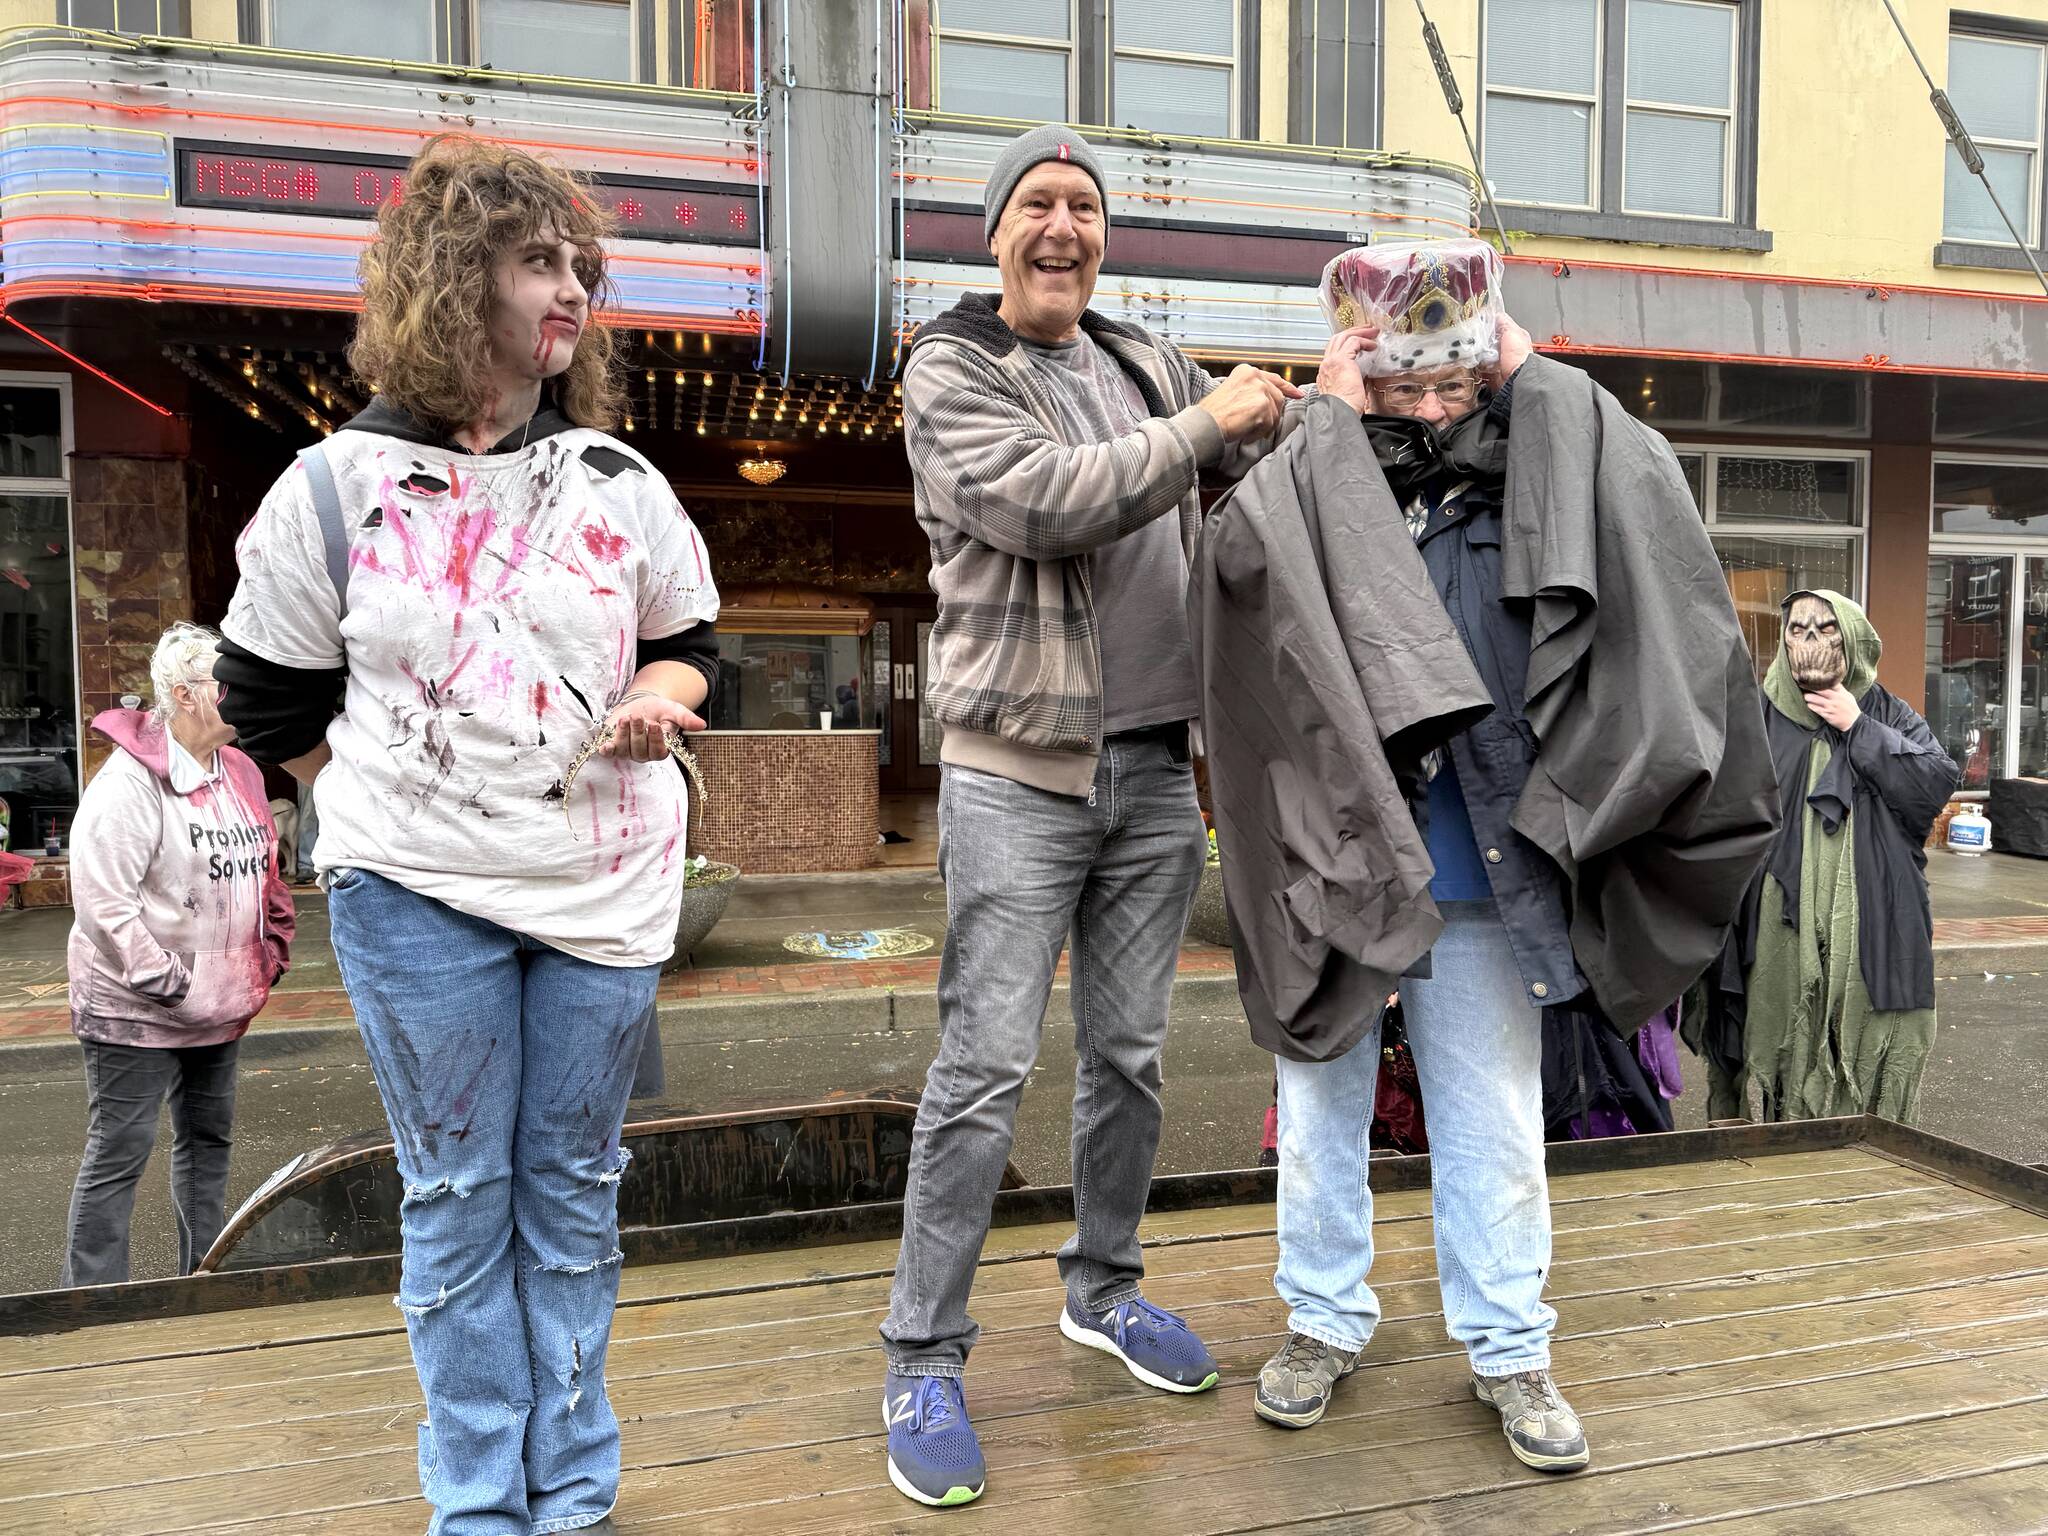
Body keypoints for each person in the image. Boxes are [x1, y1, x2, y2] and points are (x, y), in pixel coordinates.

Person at [1199, 240, 1776, 1473]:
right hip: (1338, 870)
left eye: (1446, 380)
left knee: (1493, 1124)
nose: (1425, 403)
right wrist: (1327, 423)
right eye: (1399, 384)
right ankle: (1321, 1320)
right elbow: (1247, 575)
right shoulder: (1300, 476)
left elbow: (1647, 500)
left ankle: (1509, 1347)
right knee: (1317, 1111)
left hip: (1482, 880)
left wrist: (1543, 377)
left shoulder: (1535, 476)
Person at [215, 136, 720, 1536]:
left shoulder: (618, 478)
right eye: (538, 260)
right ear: (456, 278)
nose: (571, 291)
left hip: (604, 891)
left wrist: (651, 699)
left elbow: (694, 648)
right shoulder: (330, 490)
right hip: (415, 897)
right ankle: (481, 1505)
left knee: (571, 1191)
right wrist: (380, 797)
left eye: (580, 267)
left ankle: (577, 1495)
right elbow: (264, 702)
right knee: (455, 1192)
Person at [878, 122, 1363, 1509]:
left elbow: (1245, 491)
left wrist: (1321, 405)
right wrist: (1217, 420)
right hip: (1015, 773)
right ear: (994, 231)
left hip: (1156, 769)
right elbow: (1046, 503)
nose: (1063, 227)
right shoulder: (954, 365)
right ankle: (922, 1351)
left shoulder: (1144, 359)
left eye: (1084, 207)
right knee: (980, 1071)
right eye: (1036, 202)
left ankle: (1102, 1287)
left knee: (1131, 1059)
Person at [60, 622, 294, 1285]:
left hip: (219, 1007)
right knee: (121, 1151)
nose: (242, 697)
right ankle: (95, 1300)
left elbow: (266, 872)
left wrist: (268, 952)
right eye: (230, 685)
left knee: (209, 1142)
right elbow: (104, 902)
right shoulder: (127, 786)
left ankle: (204, 1279)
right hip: (135, 1011)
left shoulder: (240, 769)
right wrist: (168, 982)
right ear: (188, 695)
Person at [1694, 591, 1959, 1122]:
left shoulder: (1885, 711)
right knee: (1780, 1023)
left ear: (1854, 638)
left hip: (1872, 911)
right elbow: (1714, 802)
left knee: (1860, 1029)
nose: (1810, 639)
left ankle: (1866, 1139)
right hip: (1777, 916)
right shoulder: (1757, 715)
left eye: (1825, 628)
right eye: (1797, 628)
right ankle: (1787, 1135)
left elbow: (1932, 785)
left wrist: (1856, 726)